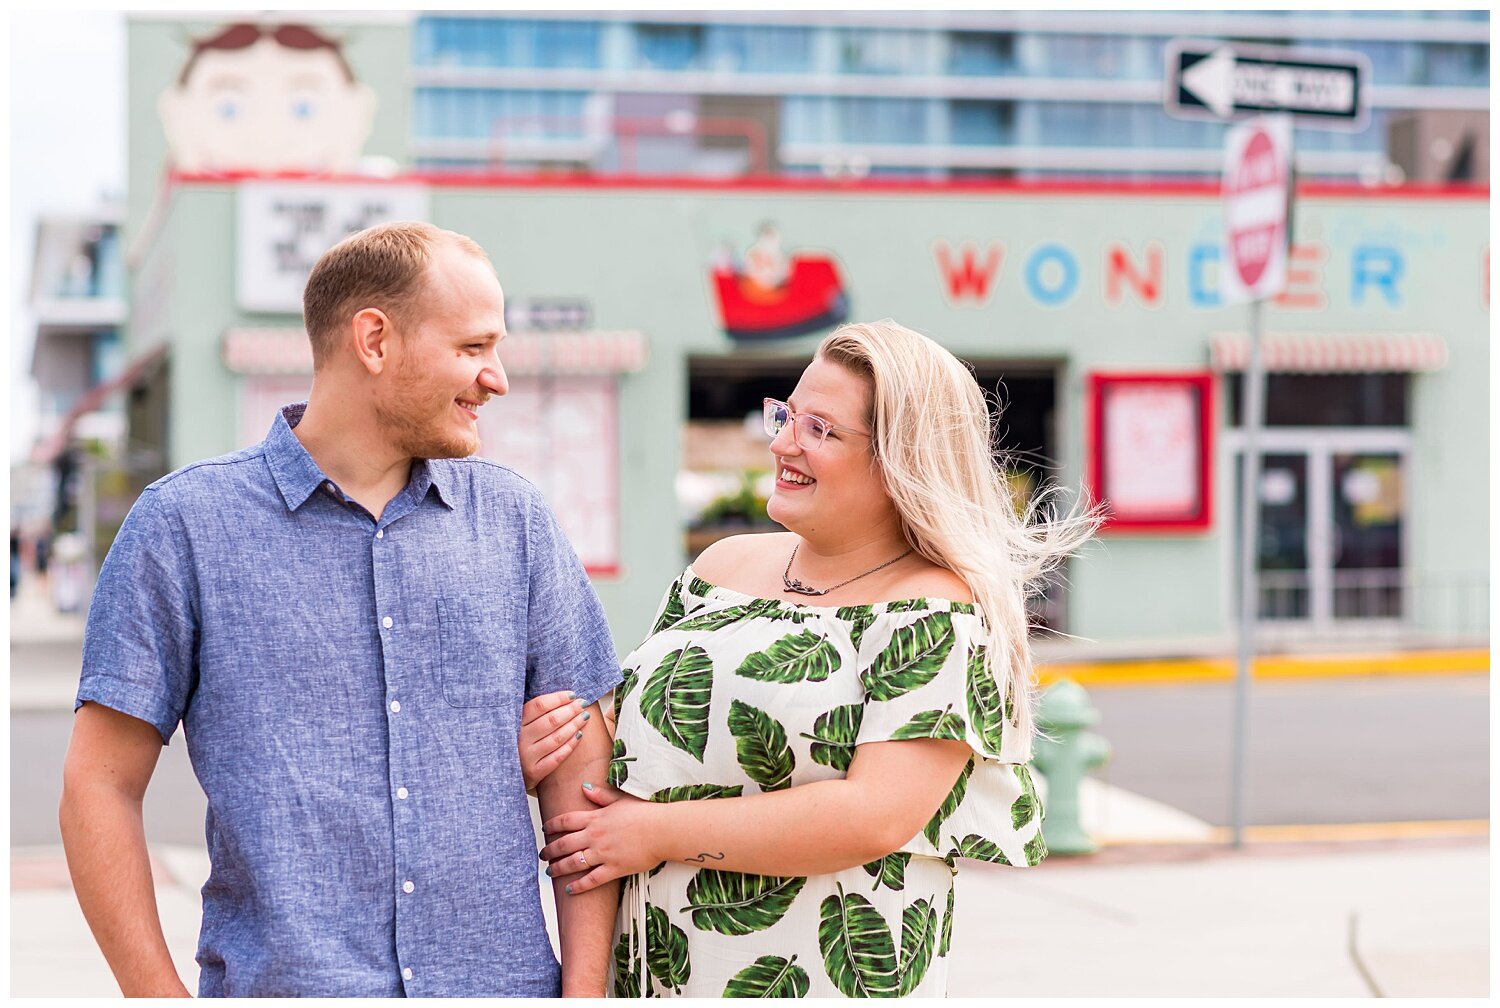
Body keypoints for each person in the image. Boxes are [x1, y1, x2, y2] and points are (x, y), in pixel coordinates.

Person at [59, 222, 621, 997]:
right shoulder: (184, 526)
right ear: (374, 340)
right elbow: (99, 785)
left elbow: (583, 788)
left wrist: (585, 995)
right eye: (472, 347)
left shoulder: (516, 522)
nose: (497, 378)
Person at [525, 319, 1098, 996]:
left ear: (900, 461)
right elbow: (628, 750)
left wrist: (653, 833)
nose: (782, 443)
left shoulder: (938, 611)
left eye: (819, 430)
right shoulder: (719, 569)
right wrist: (543, 752)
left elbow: (873, 816)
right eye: (787, 415)